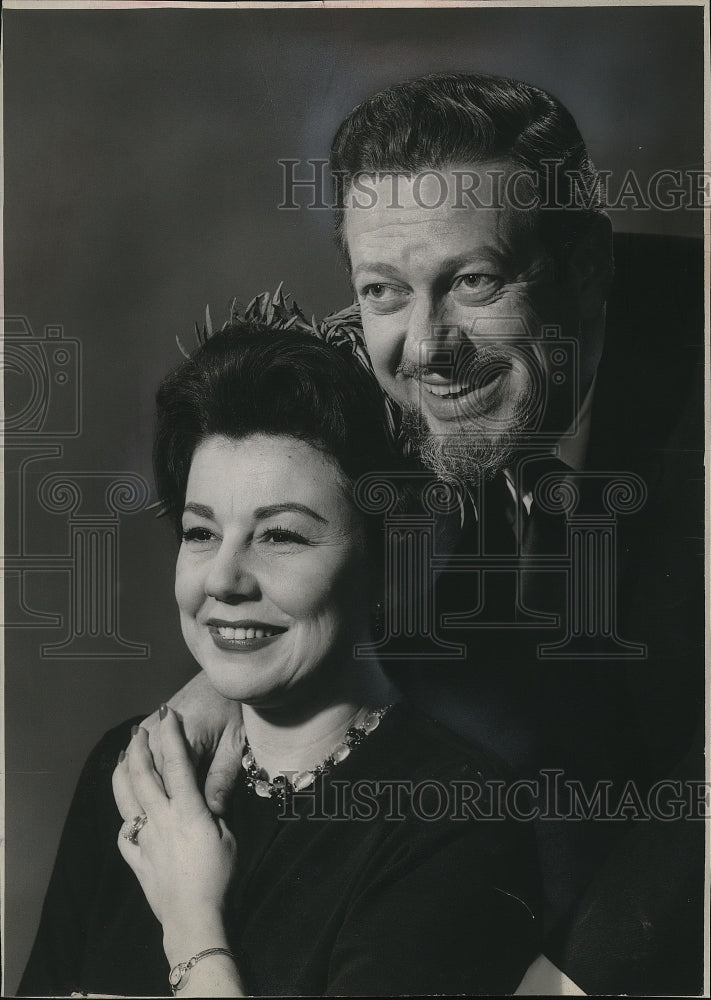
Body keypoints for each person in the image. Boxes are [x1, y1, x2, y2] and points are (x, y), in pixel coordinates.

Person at [143, 74, 705, 995]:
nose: (424, 347)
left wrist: (575, 980)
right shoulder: (388, 361)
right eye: (383, 291)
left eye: (474, 281)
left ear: (588, 264)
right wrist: (218, 681)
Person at [19, 323, 540, 997]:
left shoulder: (453, 816)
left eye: (282, 535)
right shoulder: (130, 771)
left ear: (387, 560)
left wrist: (190, 923)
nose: (224, 580)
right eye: (200, 532)